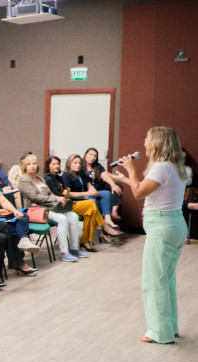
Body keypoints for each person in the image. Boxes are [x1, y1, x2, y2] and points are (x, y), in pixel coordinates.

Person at [112, 127, 189, 344]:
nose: (144, 143)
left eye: (148, 139)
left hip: (162, 228)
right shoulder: (172, 166)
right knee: (166, 279)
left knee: (154, 281)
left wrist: (130, 169)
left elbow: (138, 193)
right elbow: (147, 188)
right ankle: (169, 327)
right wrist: (125, 178)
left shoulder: (161, 167)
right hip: (174, 224)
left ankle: (159, 332)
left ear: (158, 143)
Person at [16, 152, 84, 262]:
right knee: (62, 219)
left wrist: (57, 197)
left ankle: (74, 248)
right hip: (37, 209)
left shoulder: (40, 179)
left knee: (73, 216)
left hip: (49, 207)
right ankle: (64, 252)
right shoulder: (24, 179)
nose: (32, 166)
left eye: (34, 163)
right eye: (29, 164)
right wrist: (55, 199)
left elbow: (49, 193)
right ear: (25, 166)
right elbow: (34, 197)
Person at [44, 155, 116, 249]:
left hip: (67, 203)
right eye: (53, 164)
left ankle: (85, 242)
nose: (56, 166)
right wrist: (65, 193)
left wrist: (65, 192)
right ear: (48, 165)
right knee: (91, 204)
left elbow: (66, 191)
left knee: (90, 213)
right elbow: (58, 194)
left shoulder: (58, 177)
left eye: (58, 163)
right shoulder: (49, 178)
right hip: (60, 206)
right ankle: (104, 227)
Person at [83, 147, 123, 225]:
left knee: (117, 186)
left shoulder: (97, 166)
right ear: (85, 155)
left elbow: (104, 175)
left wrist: (113, 185)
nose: (92, 157)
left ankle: (114, 211)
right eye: (90, 155)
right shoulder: (81, 166)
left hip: (99, 187)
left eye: (95, 156)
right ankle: (108, 217)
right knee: (106, 193)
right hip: (88, 190)